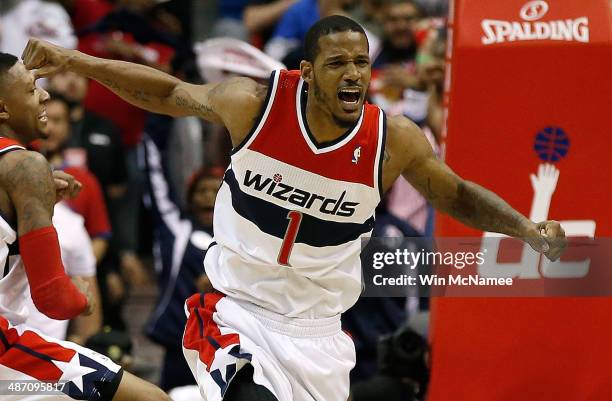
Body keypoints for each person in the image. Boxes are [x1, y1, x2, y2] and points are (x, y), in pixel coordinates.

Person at [22, 15, 567, 401]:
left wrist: (523, 228)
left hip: (320, 333)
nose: (353, 73)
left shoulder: (392, 139)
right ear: (307, 71)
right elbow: (165, 93)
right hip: (239, 312)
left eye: (361, 62)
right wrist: (78, 61)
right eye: (337, 64)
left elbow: (456, 194)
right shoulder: (255, 105)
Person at [0, 52, 170, 401]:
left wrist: (37, 199)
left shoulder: (24, 172)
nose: (45, 95)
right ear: (3, 109)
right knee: (152, 399)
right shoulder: (25, 165)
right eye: (32, 89)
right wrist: (84, 298)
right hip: (4, 349)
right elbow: (53, 299)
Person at [142, 131, 222, 391]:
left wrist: (222, 283)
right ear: (190, 197)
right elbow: (156, 184)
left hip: (226, 344)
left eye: (217, 191)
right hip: (179, 341)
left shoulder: (244, 242)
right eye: (202, 191)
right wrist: (153, 136)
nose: (209, 197)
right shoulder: (177, 230)